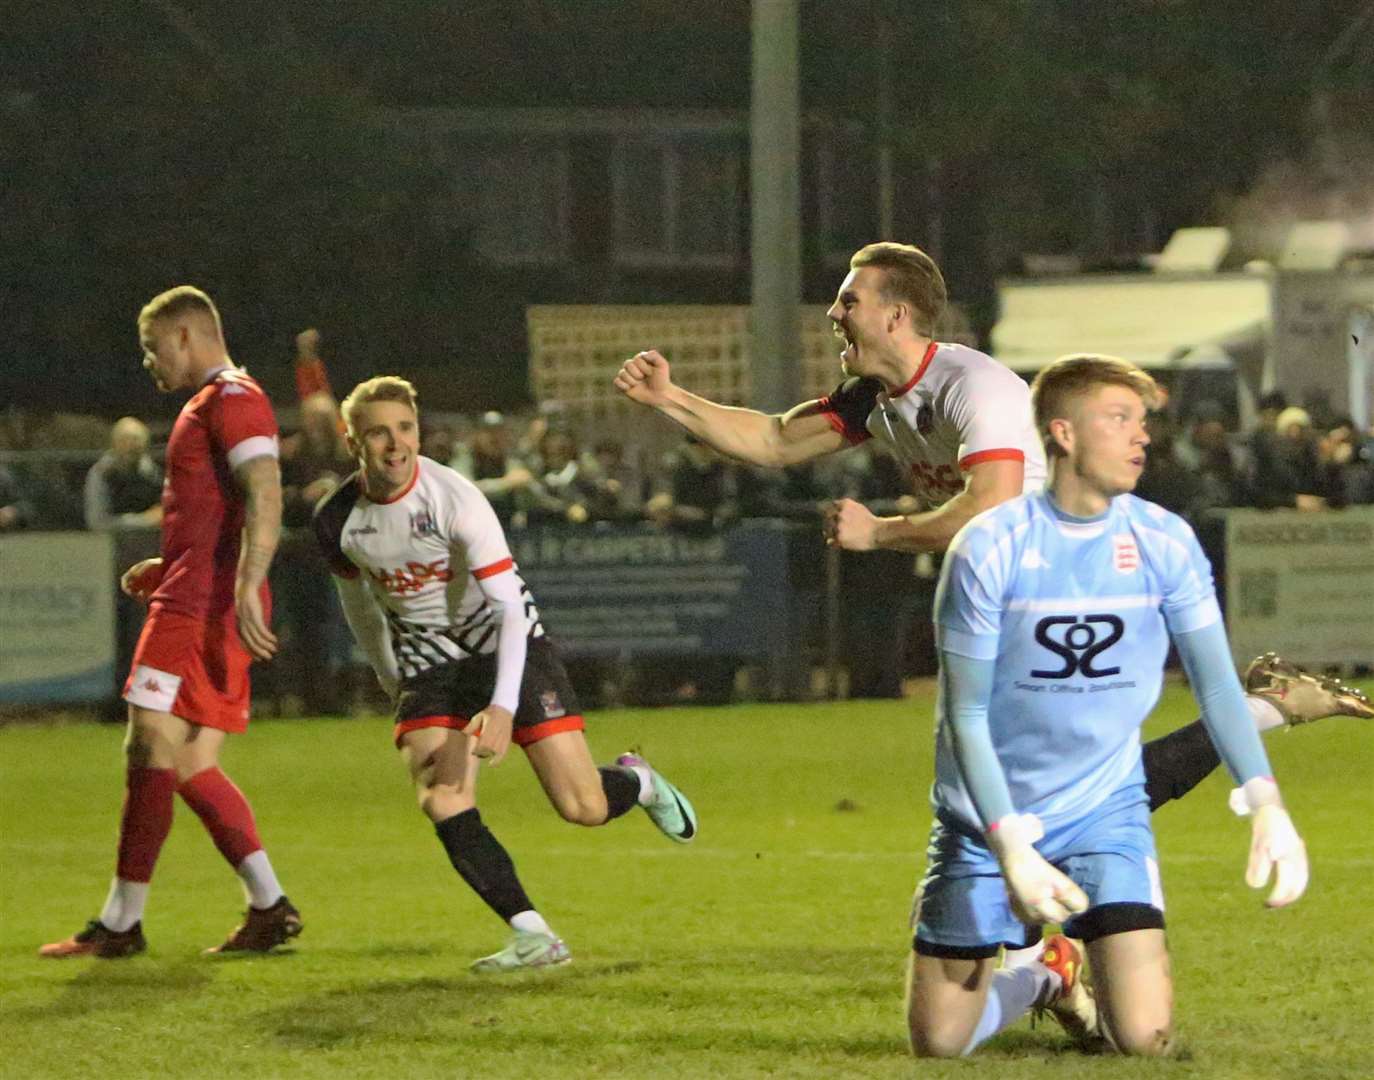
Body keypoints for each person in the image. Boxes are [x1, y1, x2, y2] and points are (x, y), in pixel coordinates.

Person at [616, 240, 1371, 1026]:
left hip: (1070, 586)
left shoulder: (969, 385)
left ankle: (1035, 951)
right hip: (1013, 595)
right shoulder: (875, 398)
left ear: (896, 313)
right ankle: (1048, 936)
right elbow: (774, 439)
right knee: (1058, 783)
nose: (836, 313)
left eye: (849, 299)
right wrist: (671, 399)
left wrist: (883, 533)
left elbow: (993, 507)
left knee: (1058, 783)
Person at [907, 353, 1309, 1057]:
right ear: (1061, 433)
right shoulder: (988, 548)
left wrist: (1265, 799)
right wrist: (1007, 844)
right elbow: (962, 718)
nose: (1142, 436)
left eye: (1144, 421)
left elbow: (1216, 686)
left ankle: (1076, 965)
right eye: (1119, 419)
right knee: (941, 1044)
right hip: (985, 820)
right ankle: (1045, 981)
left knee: (1144, 1039)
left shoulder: (1165, 540)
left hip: (1105, 815)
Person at [313, 375, 698, 972]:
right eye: (379, 434)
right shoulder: (336, 518)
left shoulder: (455, 498)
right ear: (351, 441)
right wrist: (390, 676)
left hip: (505, 642)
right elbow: (360, 605)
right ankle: (533, 934)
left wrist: (500, 705)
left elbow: (510, 610)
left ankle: (640, 783)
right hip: (428, 657)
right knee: (442, 797)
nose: (396, 445)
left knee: (582, 807)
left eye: (406, 429)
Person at [41, 286, 301, 959]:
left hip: (197, 614)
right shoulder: (215, 403)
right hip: (195, 596)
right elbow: (222, 512)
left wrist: (246, 580)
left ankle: (122, 924)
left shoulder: (232, 400)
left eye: (153, 347)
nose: (149, 362)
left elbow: (266, 488)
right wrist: (172, 562)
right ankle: (269, 906)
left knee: (149, 743)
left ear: (186, 335)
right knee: (187, 762)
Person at [83, 416, 164, 531]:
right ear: (114, 443)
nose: (130, 445)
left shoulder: (155, 472)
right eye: (124, 439)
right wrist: (145, 520)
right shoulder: (101, 474)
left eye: (136, 439)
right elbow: (97, 522)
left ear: (146, 444)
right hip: (110, 544)